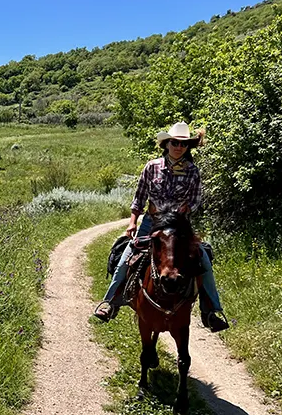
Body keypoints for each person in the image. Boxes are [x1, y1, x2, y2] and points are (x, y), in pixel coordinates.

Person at [92, 122, 229, 333]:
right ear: (167, 144)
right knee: (126, 257)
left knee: (203, 259)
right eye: (175, 143)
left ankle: (211, 312)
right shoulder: (152, 167)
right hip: (151, 222)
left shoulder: (193, 171)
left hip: (179, 225)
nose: (179, 147)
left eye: (183, 144)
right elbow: (139, 198)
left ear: (187, 147)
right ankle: (110, 303)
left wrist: (188, 207)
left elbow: (196, 199)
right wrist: (132, 222)